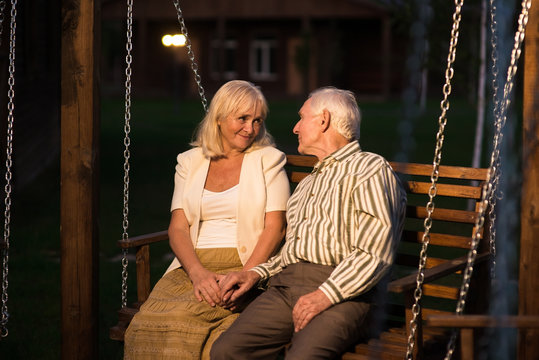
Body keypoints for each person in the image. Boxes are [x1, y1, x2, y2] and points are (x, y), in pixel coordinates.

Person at [211, 87, 407, 360]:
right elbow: (290, 255)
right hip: (285, 288)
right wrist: (255, 274)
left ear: (324, 120)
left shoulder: (369, 169)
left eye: (301, 118)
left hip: (345, 292)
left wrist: (325, 294)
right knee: (226, 351)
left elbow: (375, 251)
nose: (295, 128)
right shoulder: (308, 185)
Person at [124, 80, 290, 360]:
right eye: (242, 118)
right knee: (147, 324)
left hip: (244, 263)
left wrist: (246, 277)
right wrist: (197, 273)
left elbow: (275, 227)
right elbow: (178, 227)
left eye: (257, 120)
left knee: (207, 332)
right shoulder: (190, 162)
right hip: (194, 265)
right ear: (220, 118)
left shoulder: (269, 160)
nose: (250, 129)